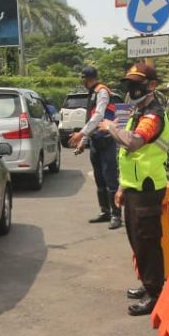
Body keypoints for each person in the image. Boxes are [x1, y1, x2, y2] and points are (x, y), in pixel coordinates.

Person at [97, 62, 169, 316]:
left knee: (148, 242)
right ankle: (147, 284)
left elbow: (134, 143)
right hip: (135, 189)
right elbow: (128, 158)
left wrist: (111, 128)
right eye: (129, 83)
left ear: (151, 86)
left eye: (137, 83)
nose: (132, 88)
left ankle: (156, 294)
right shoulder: (139, 113)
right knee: (137, 241)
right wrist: (122, 188)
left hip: (148, 189)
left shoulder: (153, 115)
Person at [68, 66, 122, 229]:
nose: (82, 81)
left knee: (110, 179)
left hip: (106, 141)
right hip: (96, 143)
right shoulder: (92, 93)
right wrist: (83, 141)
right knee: (100, 180)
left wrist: (81, 134)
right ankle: (105, 211)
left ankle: (116, 215)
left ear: (89, 78)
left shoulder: (102, 91)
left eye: (83, 78)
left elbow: (99, 115)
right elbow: (92, 120)